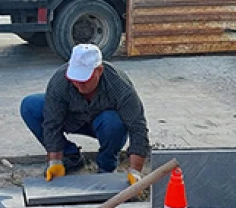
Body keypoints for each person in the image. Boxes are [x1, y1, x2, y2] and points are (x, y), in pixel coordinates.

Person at [20, 44, 150, 181]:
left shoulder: (119, 85)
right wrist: (55, 161)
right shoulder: (60, 81)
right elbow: (52, 123)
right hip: (72, 118)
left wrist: (135, 171)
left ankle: (106, 166)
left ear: (99, 70)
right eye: (75, 79)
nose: (79, 84)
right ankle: (69, 156)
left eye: (84, 79)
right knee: (30, 106)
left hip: (104, 124)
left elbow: (138, 128)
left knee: (113, 122)